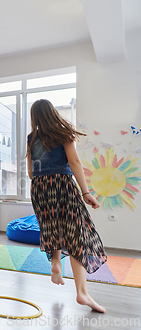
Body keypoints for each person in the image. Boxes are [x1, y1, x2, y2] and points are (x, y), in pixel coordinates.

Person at [27, 99, 107, 313]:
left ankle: (56, 263)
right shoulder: (63, 133)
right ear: (53, 113)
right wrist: (86, 192)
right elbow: (74, 163)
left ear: (34, 117)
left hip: (40, 187)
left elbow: (30, 173)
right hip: (62, 184)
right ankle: (82, 293)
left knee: (52, 226)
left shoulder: (31, 138)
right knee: (76, 235)